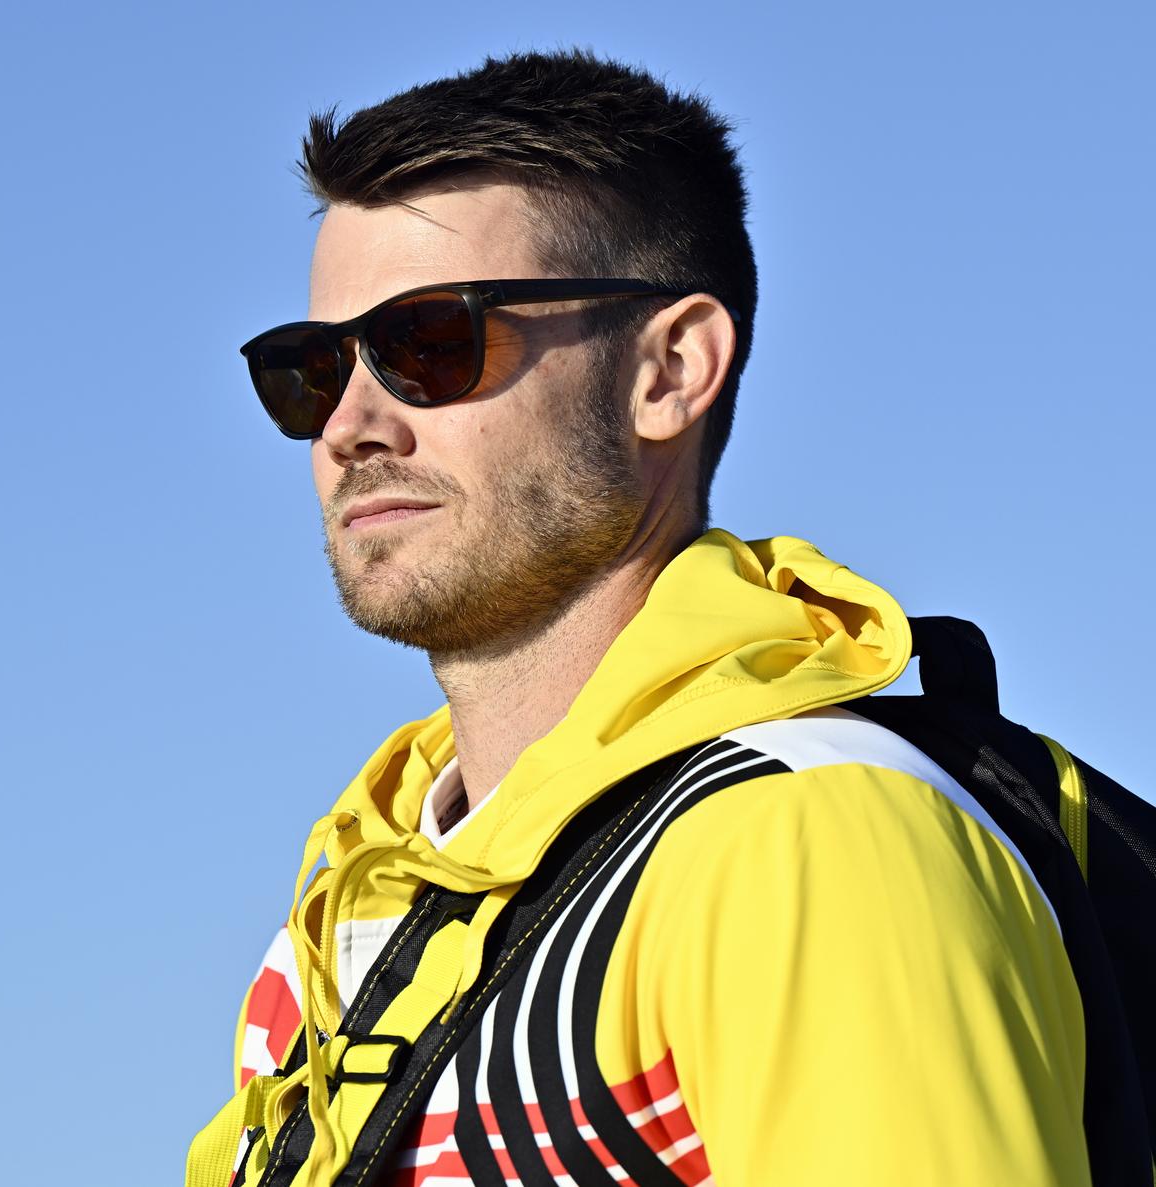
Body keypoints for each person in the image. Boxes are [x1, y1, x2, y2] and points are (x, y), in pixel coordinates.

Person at [188, 50, 1088, 1187]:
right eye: (312, 367)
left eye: (429, 343)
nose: (352, 426)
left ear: (669, 368)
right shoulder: (343, 923)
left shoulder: (800, 838)